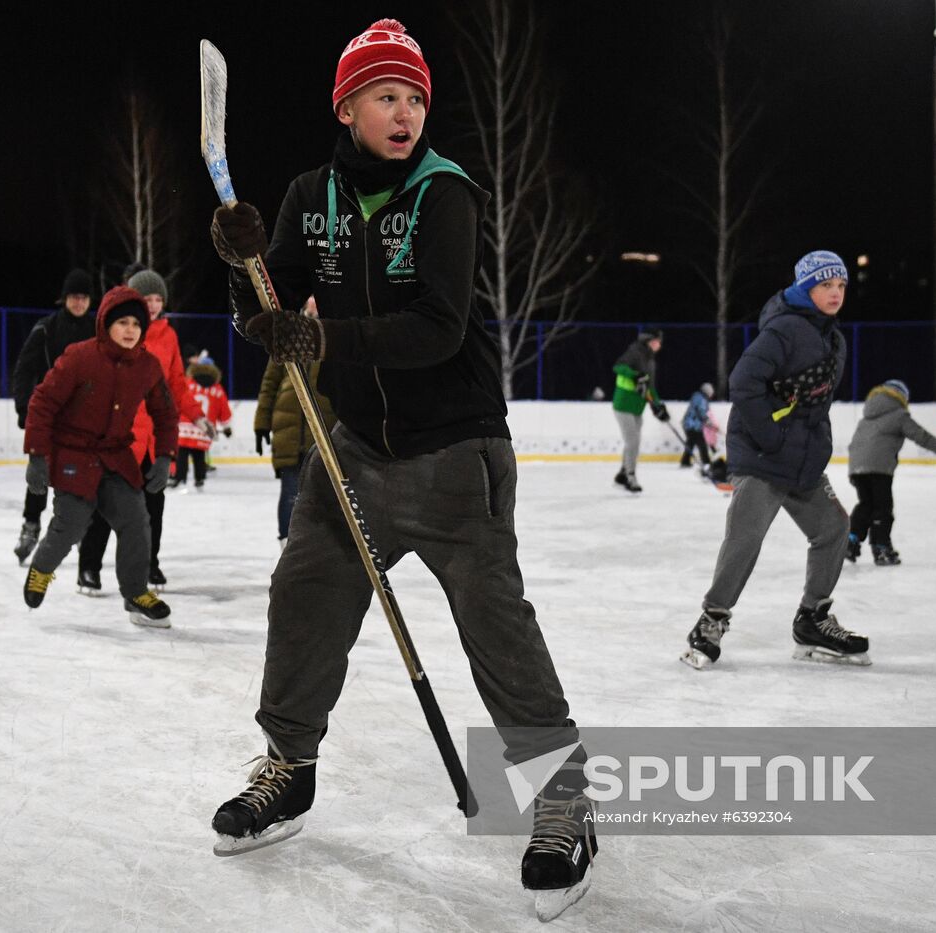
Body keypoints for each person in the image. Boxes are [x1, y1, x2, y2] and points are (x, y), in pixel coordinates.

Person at [207, 18, 592, 914]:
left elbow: (439, 325)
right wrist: (239, 265)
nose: (406, 111)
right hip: (360, 455)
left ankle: (565, 802)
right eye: (387, 95)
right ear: (347, 106)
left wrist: (323, 335)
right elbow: (268, 314)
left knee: (497, 628)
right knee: (303, 592)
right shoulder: (312, 192)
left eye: (416, 97)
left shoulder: (443, 192)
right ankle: (289, 768)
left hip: (459, 453)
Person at [682, 251, 869, 669]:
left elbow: (815, 405)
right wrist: (770, 436)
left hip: (801, 462)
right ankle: (710, 621)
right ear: (806, 288)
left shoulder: (833, 338)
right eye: (825, 286)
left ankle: (812, 619)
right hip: (763, 457)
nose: (835, 293)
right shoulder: (785, 330)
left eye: (840, 286)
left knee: (834, 528)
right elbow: (743, 382)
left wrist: (815, 446)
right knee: (745, 539)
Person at [20, 286, 178, 627]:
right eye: (122, 322)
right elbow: (42, 403)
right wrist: (36, 455)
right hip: (74, 455)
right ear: (106, 323)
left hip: (116, 457)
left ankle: (135, 592)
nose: (130, 330)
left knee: (136, 522)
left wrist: (164, 456)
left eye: (136, 324)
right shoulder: (79, 357)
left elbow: (165, 413)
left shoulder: (147, 365)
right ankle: (41, 568)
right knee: (70, 525)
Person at [76, 269, 209, 594]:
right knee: (107, 507)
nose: (152, 305)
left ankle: (150, 564)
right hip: (118, 438)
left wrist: (197, 415)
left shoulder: (168, 335)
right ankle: (89, 567)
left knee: (153, 506)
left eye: (158, 299)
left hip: (154, 441)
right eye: (146, 299)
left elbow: (176, 382)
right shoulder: (118, 332)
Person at [9, 269, 97, 565]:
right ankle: (30, 526)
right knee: (40, 474)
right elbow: (24, 370)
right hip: (49, 415)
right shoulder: (46, 329)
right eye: (74, 297)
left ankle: (82, 530)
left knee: (82, 477)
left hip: (84, 420)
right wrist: (24, 408)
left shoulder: (99, 330)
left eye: (84, 297)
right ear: (65, 299)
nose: (79, 302)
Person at [845, 380, 936, 565]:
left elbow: (856, 444)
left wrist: (855, 469)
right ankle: (881, 547)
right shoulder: (899, 415)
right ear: (901, 397)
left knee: (866, 504)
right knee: (883, 508)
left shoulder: (866, 417)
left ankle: (849, 541)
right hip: (879, 468)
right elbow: (919, 434)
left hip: (857, 467)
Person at [253, 298, 337, 546]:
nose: (315, 302)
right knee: (290, 494)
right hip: (289, 431)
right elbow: (270, 383)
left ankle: (319, 549)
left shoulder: (336, 334)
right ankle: (288, 547)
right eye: (311, 297)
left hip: (325, 433)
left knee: (324, 497)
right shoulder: (288, 333)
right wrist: (261, 423)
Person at [610, 329, 668, 492]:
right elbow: (618, 367)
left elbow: (650, 387)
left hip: (637, 407)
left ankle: (622, 473)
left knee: (633, 442)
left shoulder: (651, 361)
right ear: (649, 341)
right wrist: (635, 375)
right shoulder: (635, 352)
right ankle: (630, 476)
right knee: (632, 442)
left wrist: (658, 405)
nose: (660, 344)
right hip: (623, 405)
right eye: (657, 341)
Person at [175, 353, 231, 490]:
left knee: (182, 453)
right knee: (199, 455)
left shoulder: (188, 383)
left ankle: (179, 478)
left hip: (185, 425)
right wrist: (227, 426)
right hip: (204, 427)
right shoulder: (217, 389)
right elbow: (224, 409)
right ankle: (200, 479)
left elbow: (178, 398)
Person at [679, 382, 714, 468]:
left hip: (690, 424)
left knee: (691, 443)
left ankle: (685, 461)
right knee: (701, 444)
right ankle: (706, 462)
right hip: (693, 425)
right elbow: (700, 410)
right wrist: (706, 420)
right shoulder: (701, 399)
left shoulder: (698, 397)